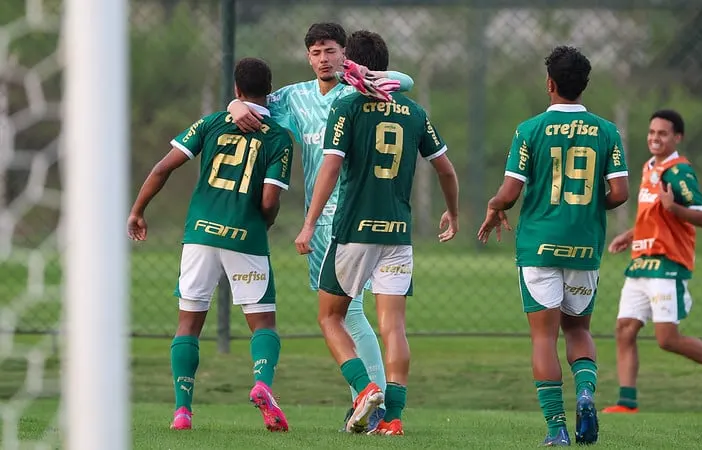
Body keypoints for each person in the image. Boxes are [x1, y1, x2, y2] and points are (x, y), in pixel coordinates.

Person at [228, 22, 416, 430]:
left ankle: (370, 399)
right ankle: (369, 401)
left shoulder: (358, 91)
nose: (323, 59)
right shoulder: (295, 97)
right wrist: (234, 106)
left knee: (347, 314)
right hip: (324, 217)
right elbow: (254, 104)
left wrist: (367, 75)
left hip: (350, 216)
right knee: (350, 314)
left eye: (330, 50)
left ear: (344, 54)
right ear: (307, 56)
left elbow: (405, 80)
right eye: (315, 52)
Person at [294, 30, 459, 436]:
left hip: (353, 229)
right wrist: (453, 213)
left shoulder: (348, 107)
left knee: (330, 316)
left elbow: (330, 168)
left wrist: (310, 223)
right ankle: (394, 418)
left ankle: (366, 389)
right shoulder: (415, 112)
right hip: (398, 232)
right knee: (394, 326)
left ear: (352, 62)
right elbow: (446, 169)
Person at [127, 57, 294, 432]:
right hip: (246, 236)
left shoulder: (211, 122)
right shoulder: (280, 137)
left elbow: (162, 168)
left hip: (200, 235)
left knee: (188, 324)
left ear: (236, 90)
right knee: (263, 323)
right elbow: (269, 200)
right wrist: (262, 223)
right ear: (269, 91)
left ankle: (182, 412)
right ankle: (263, 385)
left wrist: (138, 211)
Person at [477, 46, 629, 446]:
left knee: (543, 338)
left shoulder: (530, 130)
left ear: (550, 84)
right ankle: (585, 393)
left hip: (539, 246)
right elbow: (620, 192)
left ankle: (557, 429)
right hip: (584, 245)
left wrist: (495, 207)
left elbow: (510, 193)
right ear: (584, 85)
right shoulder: (607, 131)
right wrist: (593, 204)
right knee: (578, 328)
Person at [601, 109, 702, 414]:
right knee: (624, 329)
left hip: (667, 263)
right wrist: (631, 234)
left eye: (663, 133)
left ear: (677, 137)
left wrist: (675, 208)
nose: (655, 138)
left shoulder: (679, 171)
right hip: (642, 260)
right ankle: (627, 403)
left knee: (667, 338)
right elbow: (653, 214)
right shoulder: (649, 167)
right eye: (652, 132)